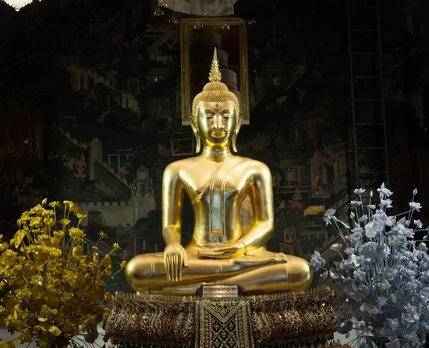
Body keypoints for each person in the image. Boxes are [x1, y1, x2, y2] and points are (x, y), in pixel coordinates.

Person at [125, 49, 312, 295]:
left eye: (225, 116)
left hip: (242, 257)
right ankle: (231, 286)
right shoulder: (178, 170)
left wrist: (239, 248)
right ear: (195, 122)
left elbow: (265, 224)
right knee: (136, 269)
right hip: (194, 257)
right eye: (209, 116)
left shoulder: (255, 169)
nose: (217, 124)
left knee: (300, 270)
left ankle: (195, 289)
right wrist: (173, 246)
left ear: (236, 122)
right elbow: (171, 223)